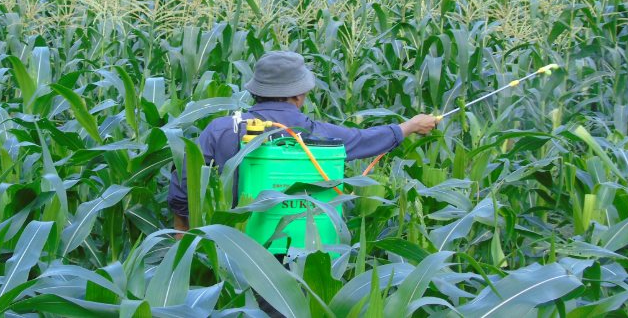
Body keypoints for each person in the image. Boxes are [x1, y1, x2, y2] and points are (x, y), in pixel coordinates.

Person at [168, 51, 438, 231]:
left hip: (230, 252)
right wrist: (410, 126)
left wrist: (185, 246)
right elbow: (364, 140)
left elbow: (182, 192)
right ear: (299, 95)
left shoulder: (221, 130)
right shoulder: (318, 135)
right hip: (305, 252)